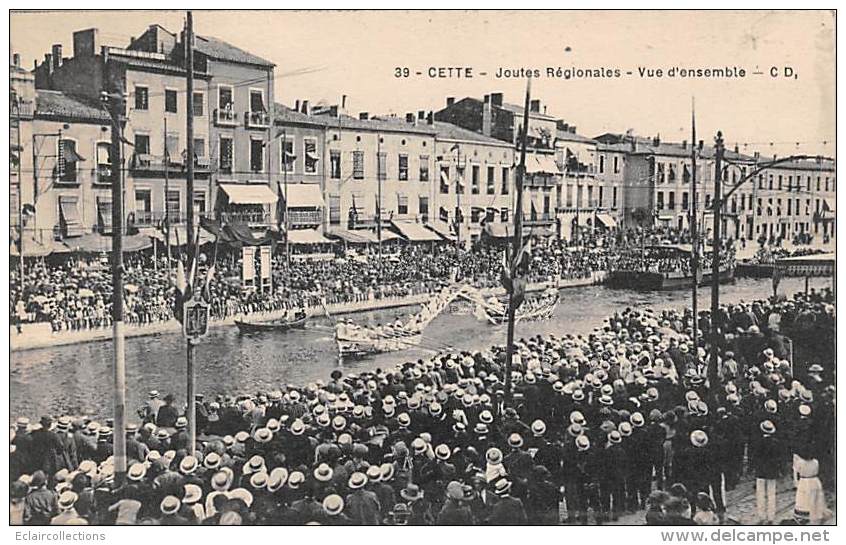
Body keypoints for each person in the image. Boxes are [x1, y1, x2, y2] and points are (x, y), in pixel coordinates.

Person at [793, 447, 827, 524]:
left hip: (805, 482)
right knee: (815, 501)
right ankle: (816, 517)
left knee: (804, 501)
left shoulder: (800, 462)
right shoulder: (815, 462)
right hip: (815, 481)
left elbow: (797, 471)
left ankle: (804, 517)